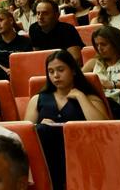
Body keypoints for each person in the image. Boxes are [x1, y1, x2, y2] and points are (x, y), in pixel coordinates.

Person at [24, 50, 108, 188]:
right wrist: (38, 127)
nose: (56, 76)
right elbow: (26, 136)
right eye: (51, 72)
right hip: (47, 160)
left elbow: (103, 128)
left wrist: (81, 97)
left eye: (61, 70)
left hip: (81, 156)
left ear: (73, 70)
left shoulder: (89, 98)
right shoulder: (37, 99)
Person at [82, 26, 120, 105]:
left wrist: (113, 85)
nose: (99, 48)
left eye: (103, 44)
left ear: (116, 44)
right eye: (97, 45)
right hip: (97, 102)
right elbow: (76, 80)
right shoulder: (93, 63)